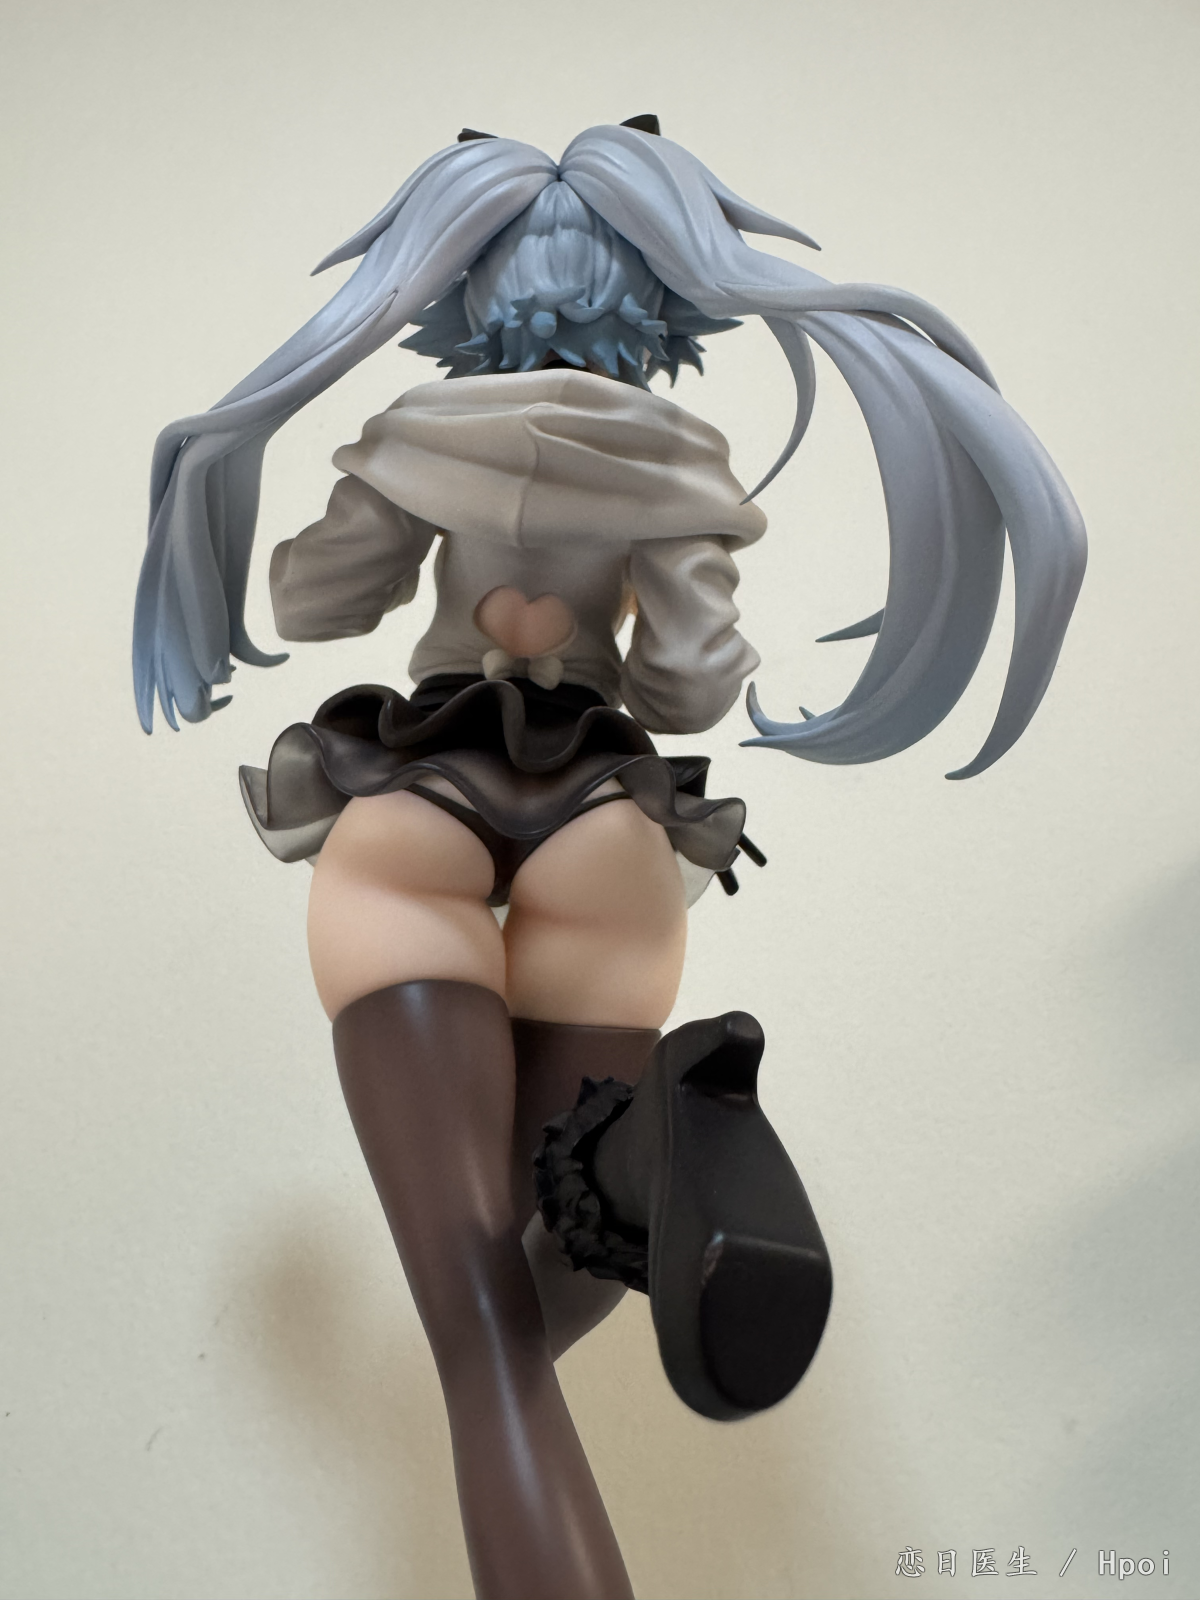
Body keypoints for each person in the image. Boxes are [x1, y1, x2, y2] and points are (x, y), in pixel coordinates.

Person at [133, 117, 1086, 1600]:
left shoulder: (419, 433)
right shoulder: (679, 459)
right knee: (504, 1297)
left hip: (419, 802)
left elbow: (319, 604)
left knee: (476, 1329)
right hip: (604, 823)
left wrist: (372, 527)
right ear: (663, 296)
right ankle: (633, 1165)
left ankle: (635, 1170)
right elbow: (691, 686)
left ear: (461, 285)